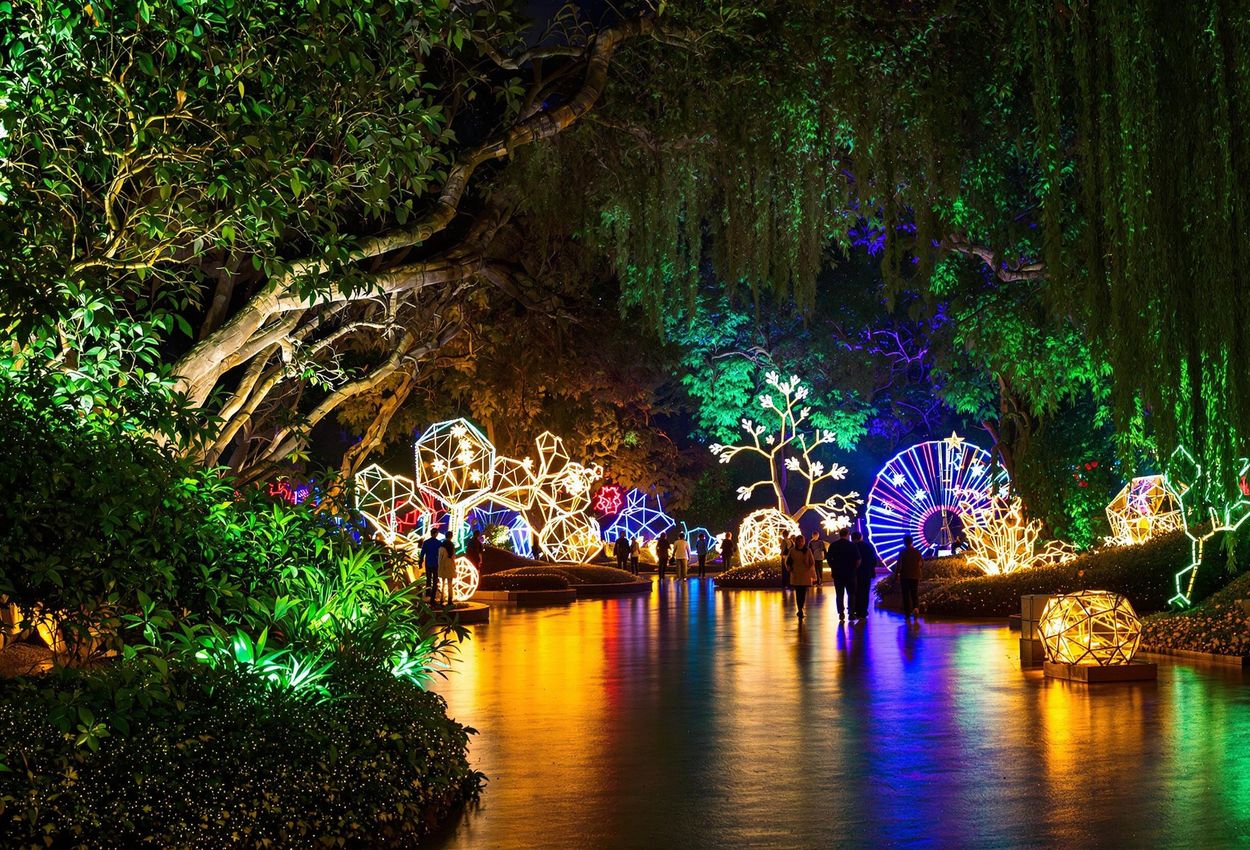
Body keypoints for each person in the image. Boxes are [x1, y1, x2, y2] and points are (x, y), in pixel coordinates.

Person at [826, 527, 861, 620]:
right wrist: (854, 568)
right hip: (850, 573)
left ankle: (841, 612)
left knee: (839, 594)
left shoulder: (833, 545)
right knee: (851, 594)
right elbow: (858, 560)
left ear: (839, 534)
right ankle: (851, 613)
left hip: (838, 573)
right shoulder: (852, 545)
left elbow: (829, 559)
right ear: (847, 535)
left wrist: (833, 567)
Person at [785, 534, 817, 619]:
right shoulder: (792, 551)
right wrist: (790, 569)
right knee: (798, 593)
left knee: (802, 593)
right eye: (799, 541)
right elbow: (788, 561)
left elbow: (812, 562)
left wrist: (811, 573)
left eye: (802, 541)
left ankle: (800, 608)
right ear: (796, 542)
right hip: (796, 574)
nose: (800, 543)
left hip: (805, 575)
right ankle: (800, 609)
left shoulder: (808, 550)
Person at [852, 531, 881, 619]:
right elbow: (873, 559)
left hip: (855, 573)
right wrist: (871, 569)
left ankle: (856, 610)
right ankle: (863, 611)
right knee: (865, 592)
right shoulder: (867, 546)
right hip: (866, 573)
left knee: (855, 592)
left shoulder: (852, 547)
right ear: (860, 537)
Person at [898, 534, 923, 619]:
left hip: (904, 575)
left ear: (904, 542)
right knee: (914, 593)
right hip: (915, 575)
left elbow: (899, 565)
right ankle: (916, 608)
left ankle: (907, 612)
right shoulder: (917, 552)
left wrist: (897, 575)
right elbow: (921, 563)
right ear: (912, 542)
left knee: (906, 594)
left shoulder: (902, 552)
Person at [418, 528, 444, 602]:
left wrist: (420, 561)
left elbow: (422, 553)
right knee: (435, 580)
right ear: (436, 534)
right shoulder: (439, 543)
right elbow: (441, 554)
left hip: (428, 563)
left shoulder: (426, 542)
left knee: (428, 579)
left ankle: (428, 594)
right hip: (435, 563)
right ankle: (433, 596)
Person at [437, 537, 457, 604]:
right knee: (450, 584)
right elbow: (454, 558)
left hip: (443, 567)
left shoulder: (441, 549)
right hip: (450, 566)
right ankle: (450, 600)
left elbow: (439, 559)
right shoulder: (452, 548)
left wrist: (439, 567)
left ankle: (442, 599)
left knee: (442, 584)